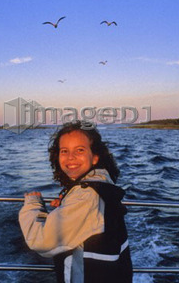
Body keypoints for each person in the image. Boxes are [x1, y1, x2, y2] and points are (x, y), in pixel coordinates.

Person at [19, 121, 133, 283]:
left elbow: (41, 240)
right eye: (64, 151)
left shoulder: (86, 196)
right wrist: (66, 205)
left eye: (80, 150)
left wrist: (33, 205)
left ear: (94, 157)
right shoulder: (102, 183)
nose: (70, 157)